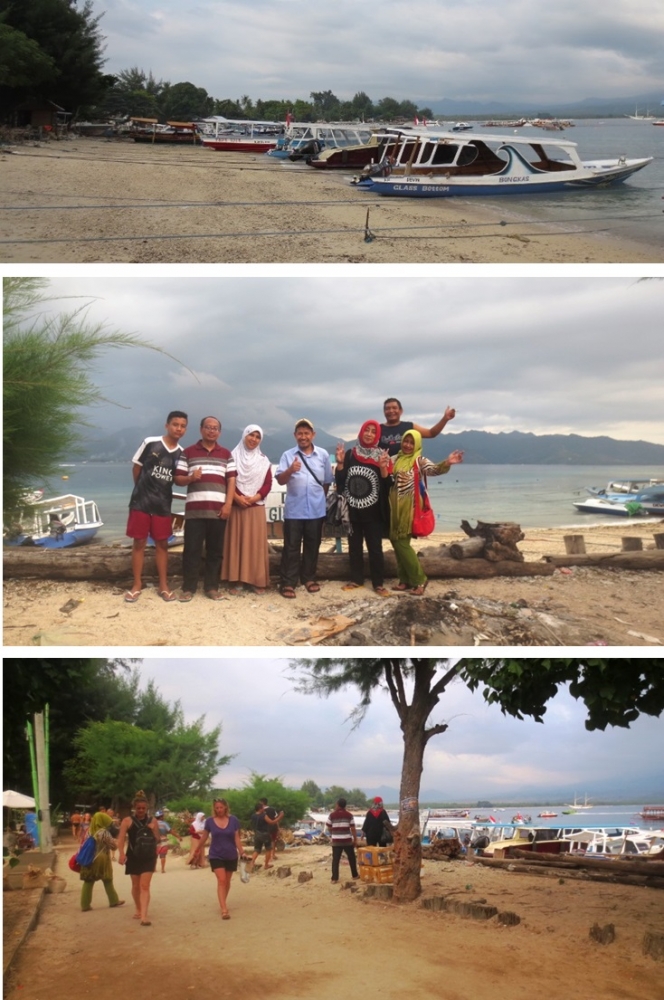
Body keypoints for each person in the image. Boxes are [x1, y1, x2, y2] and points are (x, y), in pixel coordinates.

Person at [389, 429, 464, 595]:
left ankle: (419, 579)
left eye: (411, 442)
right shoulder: (396, 459)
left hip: (409, 510)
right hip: (394, 509)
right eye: (406, 441)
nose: (408, 445)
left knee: (401, 544)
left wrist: (447, 462)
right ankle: (404, 580)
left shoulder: (419, 460)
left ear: (417, 444)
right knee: (398, 544)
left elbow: (434, 470)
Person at [125, 411, 188, 603]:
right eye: (175, 424)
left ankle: (163, 585)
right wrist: (142, 490)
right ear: (166, 425)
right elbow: (137, 468)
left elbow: (177, 480)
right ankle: (136, 584)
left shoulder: (181, 453)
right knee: (139, 543)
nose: (178, 428)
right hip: (141, 503)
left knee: (162, 544)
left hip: (162, 505)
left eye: (182, 426)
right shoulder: (150, 442)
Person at [174, 416, 236, 601]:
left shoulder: (226, 454)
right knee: (191, 550)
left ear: (219, 432)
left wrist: (228, 505)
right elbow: (178, 479)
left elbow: (231, 480)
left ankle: (211, 587)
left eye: (215, 428)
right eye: (208, 427)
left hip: (218, 511)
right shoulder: (188, 452)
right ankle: (188, 588)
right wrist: (191, 478)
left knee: (215, 552)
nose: (211, 430)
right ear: (201, 429)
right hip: (194, 512)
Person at [334, 420, 392, 596]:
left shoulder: (382, 456)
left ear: (377, 436)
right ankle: (356, 579)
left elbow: (388, 485)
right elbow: (341, 481)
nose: (369, 434)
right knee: (354, 546)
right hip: (352, 511)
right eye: (366, 430)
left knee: (375, 548)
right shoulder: (351, 454)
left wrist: (383, 468)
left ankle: (378, 583)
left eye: (373, 431)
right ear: (361, 432)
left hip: (374, 512)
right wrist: (341, 463)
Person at [276, 418, 332, 599]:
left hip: (316, 510)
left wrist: (318, 499)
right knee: (291, 547)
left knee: (312, 545)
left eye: (307, 433)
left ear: (313, 435)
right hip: (294, 510)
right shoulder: (287, 455)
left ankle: (308, 578)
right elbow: (280, 480)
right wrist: (291, 470)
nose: (303, 436)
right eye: (300, 433)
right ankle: (288, 582)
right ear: (295, 436)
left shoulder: (322, 455)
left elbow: (326, 482)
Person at [221, 424, 272, 595]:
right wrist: (237, 497)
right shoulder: (232, 457)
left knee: (255, 545)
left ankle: (257, 581)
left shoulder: (264, 460)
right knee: (237, 543)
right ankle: (237, 581)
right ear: (244, 435)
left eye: (258, 437)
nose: (254, 439)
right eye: (251, 435)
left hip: (255, 507)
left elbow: (267, 483)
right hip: (237, 507)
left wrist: (255, 498)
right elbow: (227, 479)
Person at [117, 790, 160, 925]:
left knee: (144, 885)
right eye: (138, 808)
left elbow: (158, 839)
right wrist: (121, 854)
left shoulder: (153, 820)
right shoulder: (127, 821)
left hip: (149, 856)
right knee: (136, 886)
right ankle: (138, 907)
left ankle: (144, 916)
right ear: (134, 808)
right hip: (133, 856)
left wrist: (153, 829)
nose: (141, 810)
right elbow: (121, 838)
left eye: (143, 808)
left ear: (147, 808)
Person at [197, 799, 245, 919]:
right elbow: (204, 837)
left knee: (227, 882)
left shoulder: (233, 820)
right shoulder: (210, 821)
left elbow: (237, 838)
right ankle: (224, 909)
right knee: (222, 880)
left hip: (231, 855)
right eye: (217, 808)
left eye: (221, 807)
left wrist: (242, 852)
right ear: (214, 809)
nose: (219, 810)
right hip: (215, 854)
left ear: (225, 808)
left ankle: (222, 901)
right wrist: (197, 849)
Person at [79, 811, 125, 912]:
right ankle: (113, 901)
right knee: (107, 879)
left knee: (89, 881)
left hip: (89, 858)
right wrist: (116, 842)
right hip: (101, 859)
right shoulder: (103, 832)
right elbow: (113, 847)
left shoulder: (88, 830)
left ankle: (85, 905)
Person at [380, 397, 456, 456]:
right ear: (384, 412)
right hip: (384, 472)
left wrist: (445, 419)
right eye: (387, 408)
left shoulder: (409, 426)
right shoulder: (378, 429)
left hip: (407, 473)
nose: (391, 411)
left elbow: (431, 433)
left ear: (401, 411)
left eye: (394, 408)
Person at [326, 797, 359, 883]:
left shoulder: (332, 815)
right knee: (351, 858)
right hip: (347, 841)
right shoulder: (349, 815)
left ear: (338, 805)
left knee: (335, 860)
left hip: (336, 841)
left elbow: (328, 826)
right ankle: (355, 875)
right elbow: (353, 828)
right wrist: (355, 839)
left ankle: (334, 878)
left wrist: (333, 833)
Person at [248, 802, 273, 872]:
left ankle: (251, 862)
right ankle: (266, 864)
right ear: (260, 809)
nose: (264, 809)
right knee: (268, 849)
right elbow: (271, 822)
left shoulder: (253, 816)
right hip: (264, 834)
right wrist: (279, 817)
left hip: (257, 834)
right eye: (262, 808)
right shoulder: (263, 815)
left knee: (257, 850)